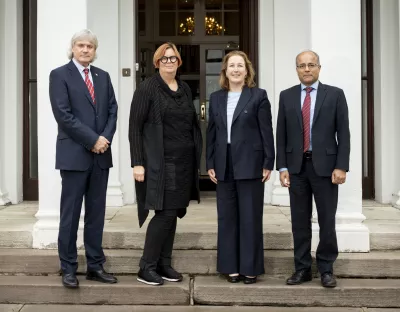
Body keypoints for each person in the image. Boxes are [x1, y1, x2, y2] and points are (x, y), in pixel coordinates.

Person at [129, 42, 202, 286]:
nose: (169, 62)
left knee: (173, 214)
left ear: (179, 62)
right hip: (161, 162)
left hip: (183, 162)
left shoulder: (184, 88)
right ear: (157, 62)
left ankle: (163, 263)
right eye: (164, 58)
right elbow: (135, 128)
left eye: (173, 58)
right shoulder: (147, 88)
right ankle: (146, 266)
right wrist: (137, 163)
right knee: (165, 212)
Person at [49, 29, 118, 288]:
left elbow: (113, 110)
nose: (85, 49)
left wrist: (104, 139)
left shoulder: (103, 76)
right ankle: (68, 267)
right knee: (71, 213)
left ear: (94, 49)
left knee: (96, 214)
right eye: (81, 45)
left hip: (101, 156)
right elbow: (63, 115)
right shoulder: (59, 75)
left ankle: (95, 265)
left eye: (90, 46)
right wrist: (93, 140)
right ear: (73, 48)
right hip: (75, 156)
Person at [276, 50, 350, 288]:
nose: (306, 69)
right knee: (299, 221)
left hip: (327, 169)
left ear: (319, 67)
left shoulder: (335, 95)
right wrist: (283, 167)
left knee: (327, 220)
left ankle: (326, 268)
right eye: (301, 66)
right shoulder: (286, 96)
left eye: (311, 65)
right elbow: (282, 134)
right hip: (296, 168)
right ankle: (302, 268)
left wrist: (341, 166)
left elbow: (344, 134)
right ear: (296, 69)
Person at [206, 50, 275, 284]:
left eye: (240, 66)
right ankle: (230, 267)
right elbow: (212, 133)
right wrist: (210, 162)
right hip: (223, 165)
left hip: (251, 164)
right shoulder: (216, 98)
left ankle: (250, 268)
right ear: (225, 70)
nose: (235, 69)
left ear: (247, 71)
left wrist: (268, 162)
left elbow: (267, 131)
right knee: (226, 218)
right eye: (231, 66)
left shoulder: (258, 96)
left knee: (250, 217)